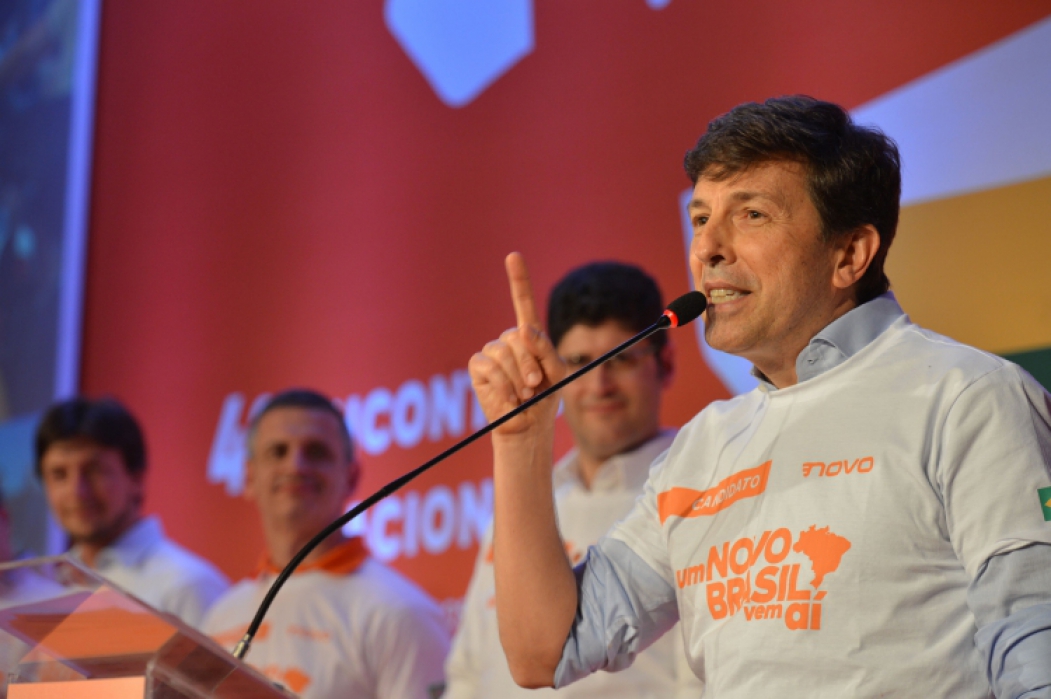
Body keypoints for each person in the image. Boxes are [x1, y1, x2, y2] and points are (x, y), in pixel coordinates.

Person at [468, 96, 1051, 697]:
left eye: (751, 215)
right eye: (701, 219)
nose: (707, 249)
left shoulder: (966, 399)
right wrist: (521, 440)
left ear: (850, 254)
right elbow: (548, 651)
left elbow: (1037, 652)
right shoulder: (704, 447)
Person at [445, 262, 703, 698]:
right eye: (580, 362)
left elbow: (703, 681)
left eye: (622, 358)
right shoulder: (523, 502)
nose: (599, 385)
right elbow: (468, 676)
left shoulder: (698, 488)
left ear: (666, 364)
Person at [202, 389, 449, 699]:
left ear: (351, 477)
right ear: (249, 477)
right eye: (278, 451)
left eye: (316, 452)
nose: (295, 466)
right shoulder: (221, 616)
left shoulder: (399, 612)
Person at [35, 397, 230, 627]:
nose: (77, 491)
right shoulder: (48, 587)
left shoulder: (186, 584)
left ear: (136, 478)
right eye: (59, 475)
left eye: (94, 471)